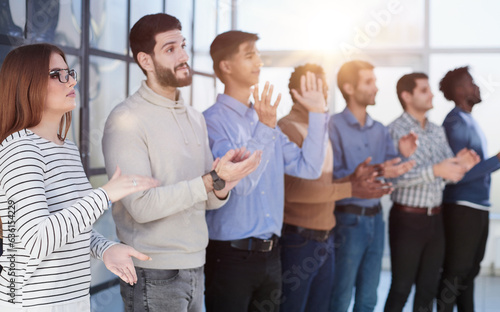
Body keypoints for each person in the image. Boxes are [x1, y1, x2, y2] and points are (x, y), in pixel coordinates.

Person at [101, 14, 261, 312]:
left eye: (183, 46)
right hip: (153, 274)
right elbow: (142, 207)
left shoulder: (195, 118)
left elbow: (207, 201)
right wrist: (208, 181)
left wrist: (224, 183)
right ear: (146, 61)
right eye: (170, 49)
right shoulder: (126, 120)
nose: (184, 56)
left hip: (196, 267)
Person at [0, 43, 159, 311]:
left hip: (73, 300)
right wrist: (104, 195)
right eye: (55, 74)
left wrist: (104, 248)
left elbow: (70, 226)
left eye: (68, 72)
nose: (71, 80)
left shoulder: (67, 148)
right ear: (25, 84)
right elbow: (35, 241)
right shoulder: (20, 149)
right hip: (32, 303)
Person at [203, 31, 329, 312]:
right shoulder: (211, 123)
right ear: (226, 66)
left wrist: (319, 113)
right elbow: (241, 184)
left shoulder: (264, 119)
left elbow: (308, 168)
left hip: (272, 256)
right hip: (230, 258)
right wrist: (266, 126)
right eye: (250, 55)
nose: (259, 61)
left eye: (258, 54)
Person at [278, 63, 393, 312]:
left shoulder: (318, 130)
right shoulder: (287, 127)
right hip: (299, 240)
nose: (324, 95)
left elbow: (323, 185)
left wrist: (351, 180)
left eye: (324, 88)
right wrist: (351, 190)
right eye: (317, 88)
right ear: (299, 92)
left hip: (325, 239)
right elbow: (295, 192)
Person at [384, 72, 479, 312]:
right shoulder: (395, 130)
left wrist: (460, 164)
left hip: (436, 220)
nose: (432, 94)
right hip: (407, 220)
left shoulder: (437, 131)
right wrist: (436, 170)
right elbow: (395, 179)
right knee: (401, 288)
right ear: (407, 96)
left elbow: (447, 173)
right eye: (424, 90)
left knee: (428, 289)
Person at [328, 60, 416, 312]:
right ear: (349, 87)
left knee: (368, 299)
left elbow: (390, 173)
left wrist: (403, 158)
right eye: (369, 82)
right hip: (347, 221)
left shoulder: (379, 130)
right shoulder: (333, 126)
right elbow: (329, 177)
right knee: (340, 297)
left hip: (377, 220)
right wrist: (367, 174)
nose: (376, 87)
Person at [437, 67, 500, 312]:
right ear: (459, 90)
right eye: (471, 82)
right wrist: (497, 160)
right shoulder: (455, 122)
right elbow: (456, 174)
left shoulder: (468, 120)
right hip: (462, 208)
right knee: (456, 272)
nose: (477, 86)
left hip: (477, 207)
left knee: (469, 271)